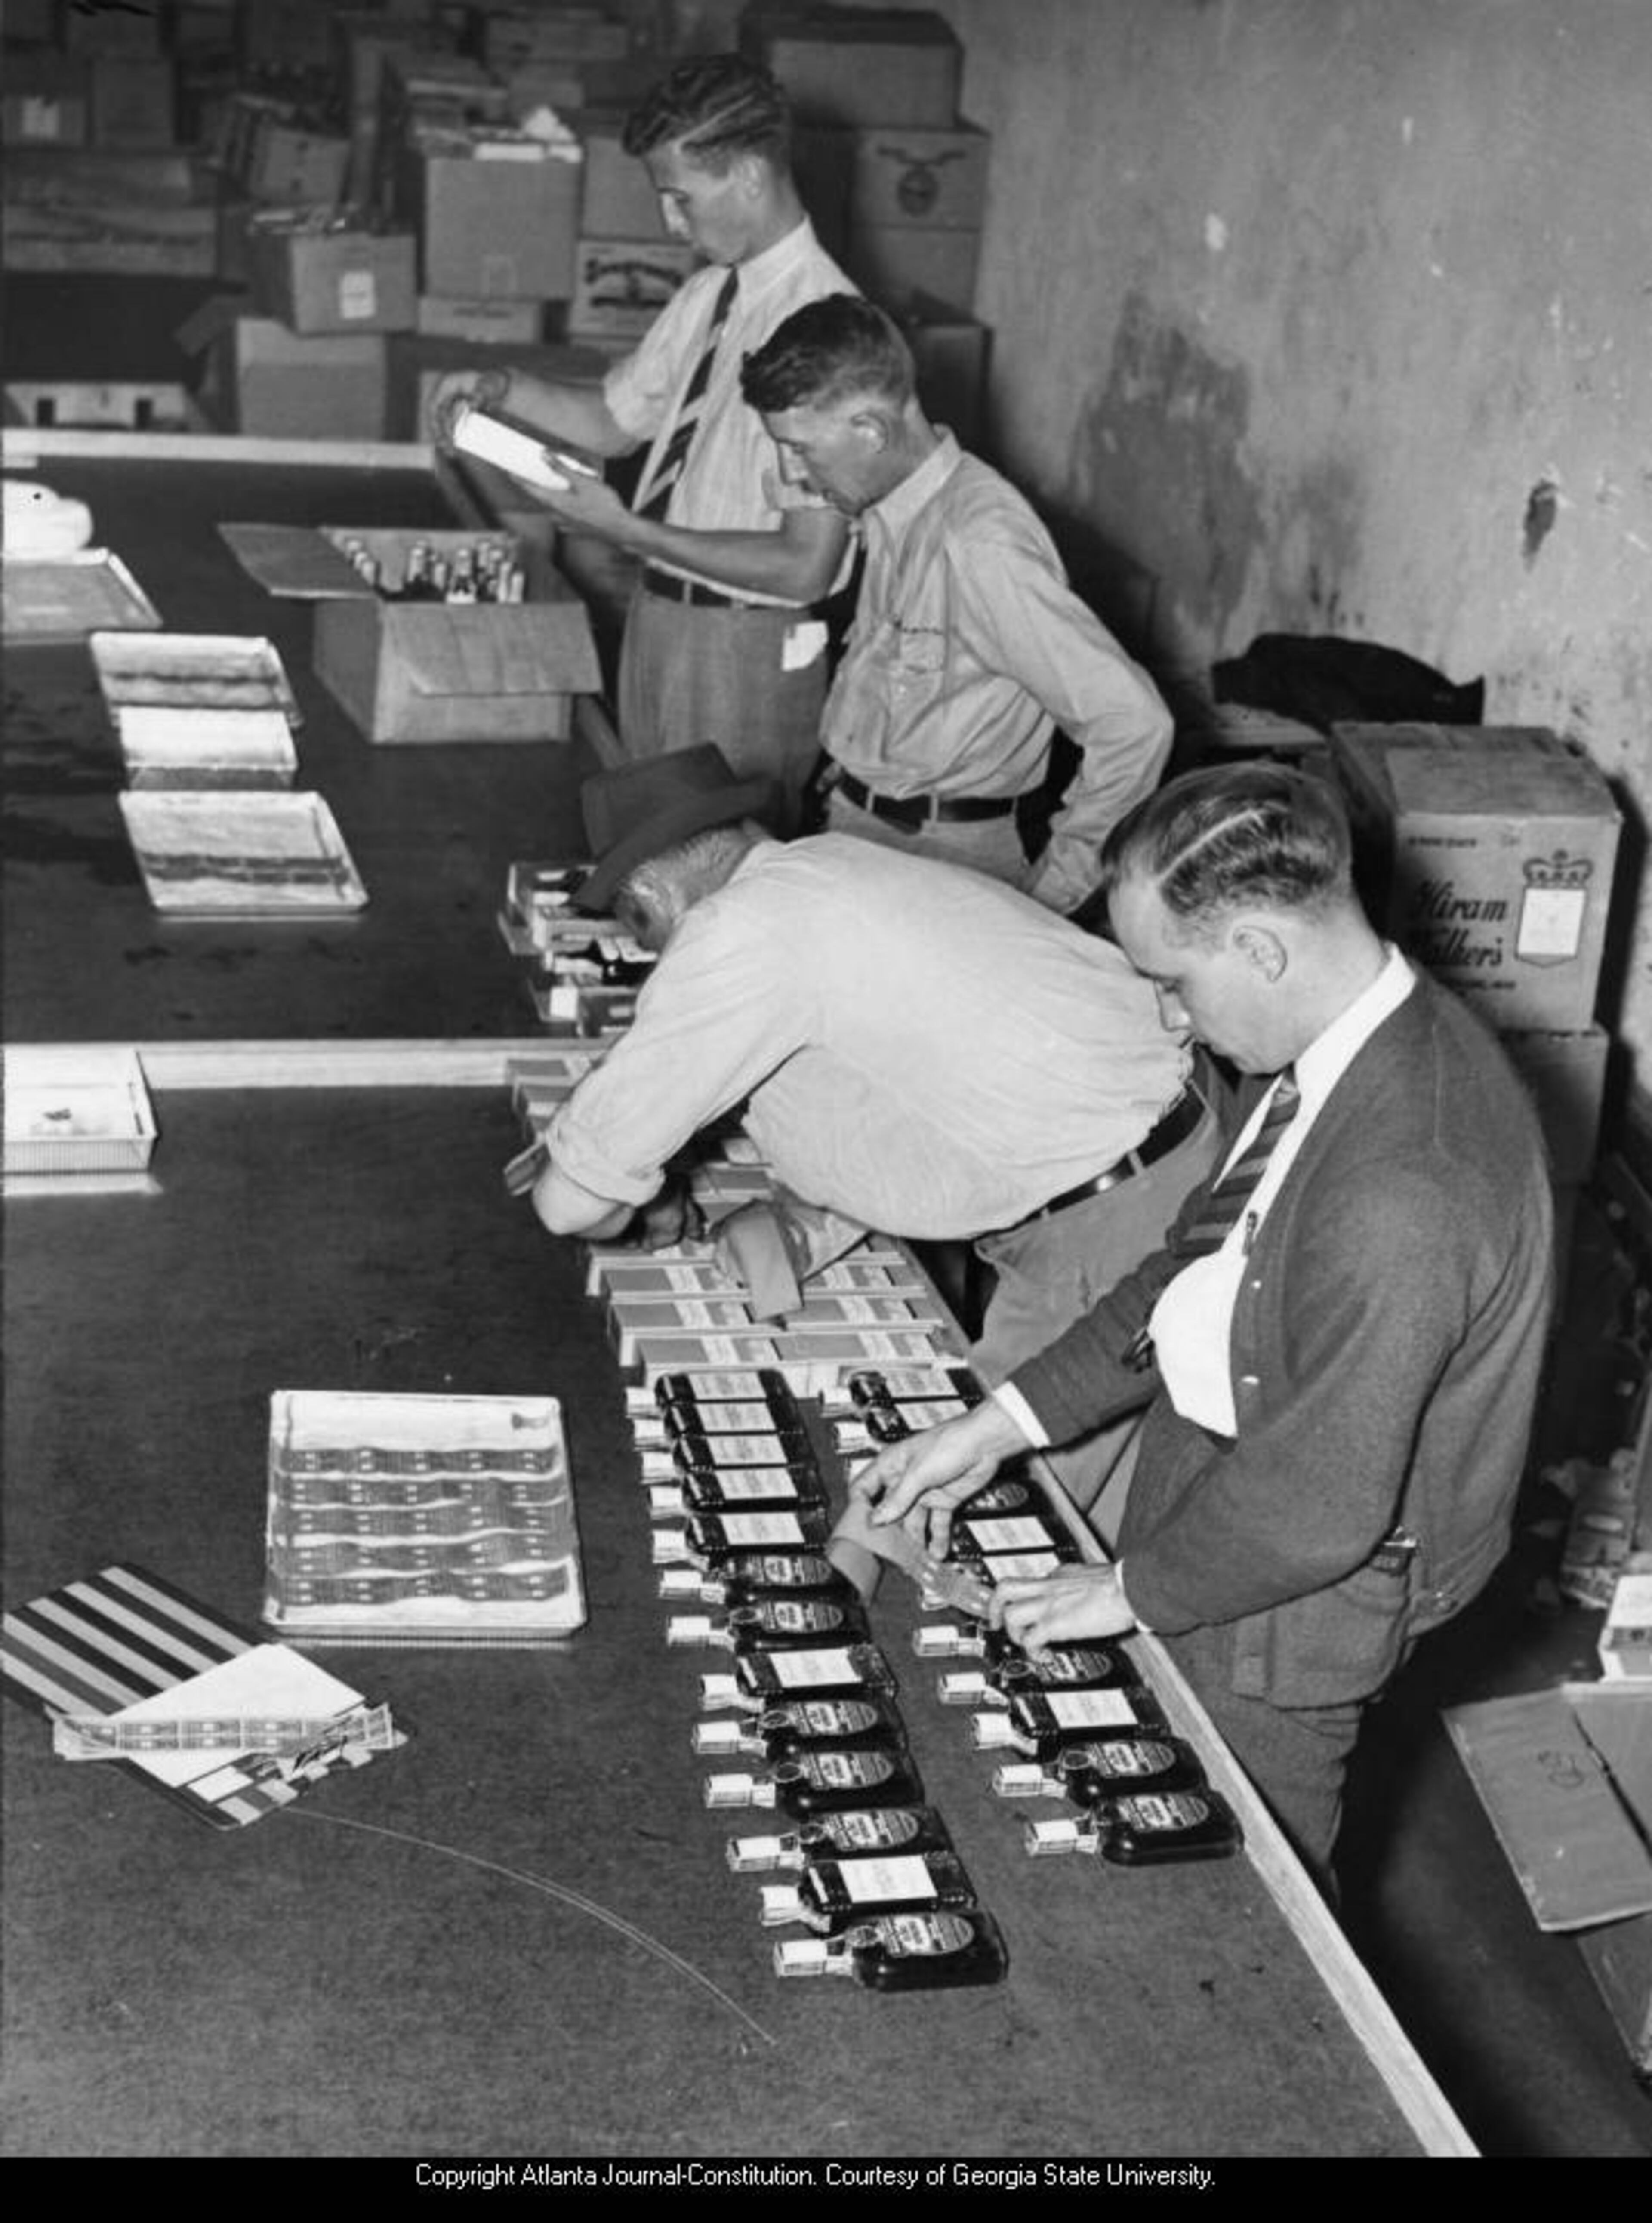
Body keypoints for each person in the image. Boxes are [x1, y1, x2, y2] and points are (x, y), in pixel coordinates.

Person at [851, 762, 1556, 1895]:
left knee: (1241, 1898)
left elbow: (1319, 1505)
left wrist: (1119, 1592)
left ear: (1262, 950)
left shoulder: (1405, 1184)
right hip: (1219, 1492)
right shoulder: (1334, 1054)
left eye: (1172, 981)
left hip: (1292, 1601)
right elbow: (1191, 1269)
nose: (1170, 1017)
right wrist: (994, 1428)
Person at [528, 747, 1224, 1454]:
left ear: (646, 902)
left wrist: (623, 1195)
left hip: (1109, 1229)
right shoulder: (834, 867)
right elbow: (895, 1088)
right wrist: (789, 1219)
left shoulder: (740, 930)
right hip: (1170, 1153)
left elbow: (568, 1203)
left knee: (959, 1507)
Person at [428, 54, 854, 823]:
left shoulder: (830, 329)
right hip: (660, 623)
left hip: (746, 650)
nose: (669, 224)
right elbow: (613, 422)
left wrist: (624, 528)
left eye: (680, 199)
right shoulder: (710, 295)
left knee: (723, 887)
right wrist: (504, 387)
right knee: (646, 867)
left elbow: (804, 565)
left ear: (752, 174)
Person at [738, 294, 1174, 914]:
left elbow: (1133, 723)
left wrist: (1048, 901)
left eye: (802, 448)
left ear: (870, 430)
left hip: (944, 861)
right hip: (860, 832)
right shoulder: (891, 505)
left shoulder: (980, 543)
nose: (794, 470)